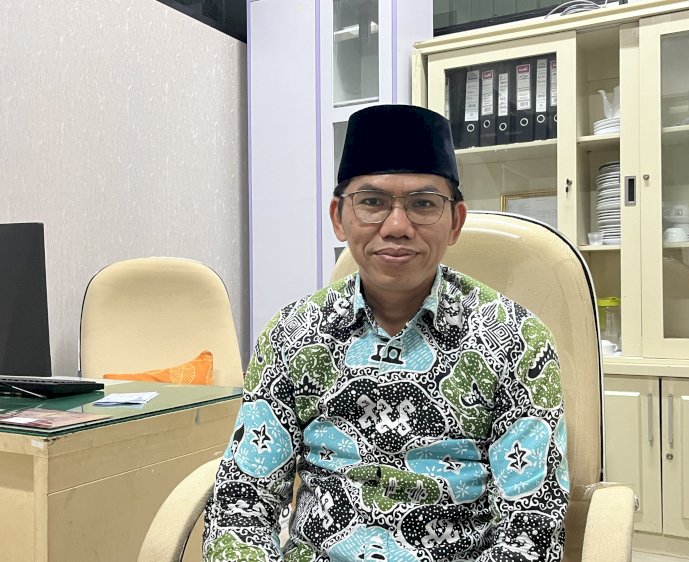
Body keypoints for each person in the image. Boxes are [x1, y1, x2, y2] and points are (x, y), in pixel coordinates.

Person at [203, 104, 568, 562]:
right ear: (339, 217)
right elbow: (242, 501)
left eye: (423, 204)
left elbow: (532, 527)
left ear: (455, 221)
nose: (397, 227)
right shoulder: (292, 334)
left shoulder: (516, 338)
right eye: (372, 202)